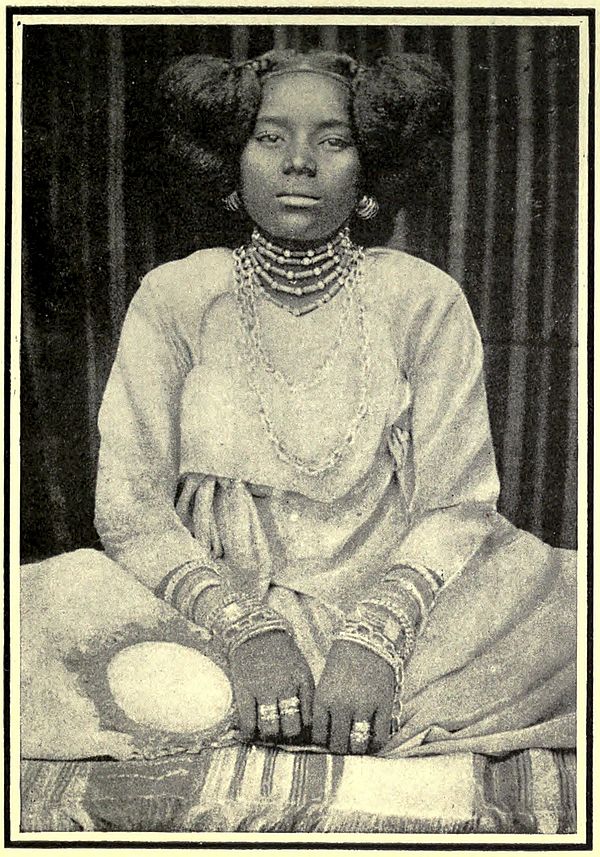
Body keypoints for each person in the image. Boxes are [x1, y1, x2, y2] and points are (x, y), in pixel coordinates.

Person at [93, 48, 575, 757]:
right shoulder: (177, 295)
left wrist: (376, 637)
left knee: (576, 618)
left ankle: (343, 697)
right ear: (231, 160)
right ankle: (266, 694)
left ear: (369, 164)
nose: (299, 162)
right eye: (270, 137)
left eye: (333, 140)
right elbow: (129, 507)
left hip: (407, 609)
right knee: (41, 616)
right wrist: (244, 630)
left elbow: (457, 504)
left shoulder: (422, 297)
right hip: (213, 605)